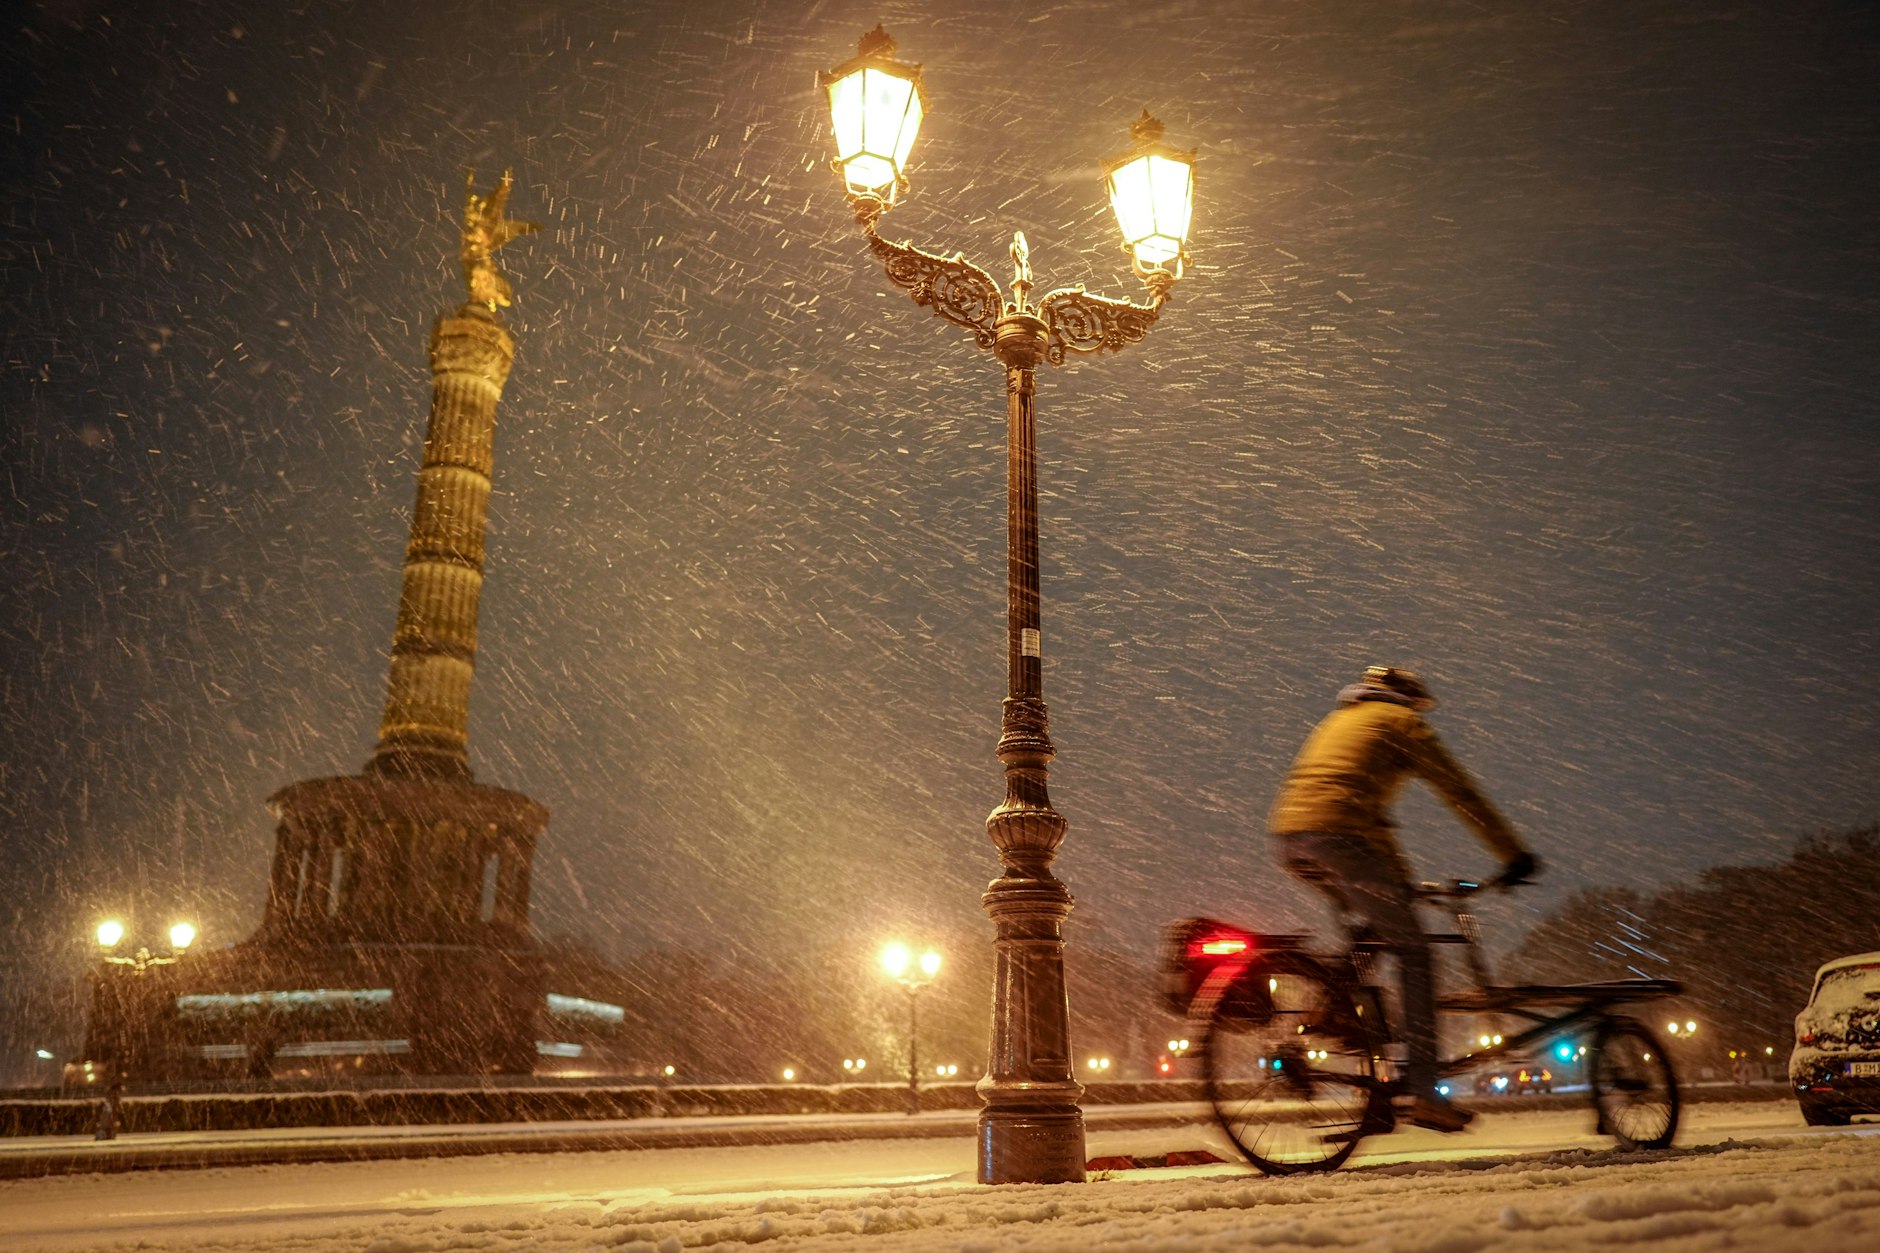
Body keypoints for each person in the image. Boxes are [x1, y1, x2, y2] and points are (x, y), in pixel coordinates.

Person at [1268, 665, 1539, 1133]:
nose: (1419, 712)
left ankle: (1338, 1020)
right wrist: (1513, 854)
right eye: (1417, 705)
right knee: (1416, 953)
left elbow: (1364, 816)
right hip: (1341, 837)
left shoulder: (1340, 721)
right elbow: (1460, 792)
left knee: (1375, 932)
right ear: (1406, 698)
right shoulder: (1401, 723)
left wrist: (1400, 884)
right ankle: (1423, 1089)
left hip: (1293, 837)